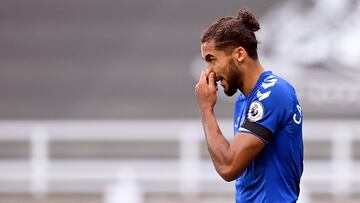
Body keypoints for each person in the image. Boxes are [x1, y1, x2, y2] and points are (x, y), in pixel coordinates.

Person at [195, 9, 303, 203]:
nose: (209, 72)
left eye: (212, 60)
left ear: (239, 54)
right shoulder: (245, 100)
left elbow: (229, 167)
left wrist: (206, 109)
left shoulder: (273, 93)